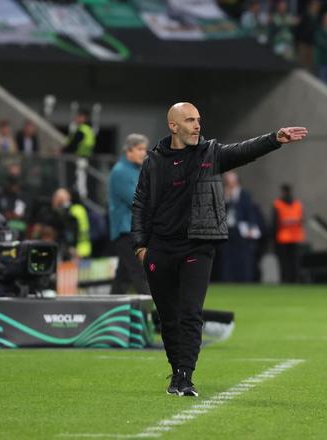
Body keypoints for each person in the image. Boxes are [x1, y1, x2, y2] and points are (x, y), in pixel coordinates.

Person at [131, 102, 307, 397]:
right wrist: (140, 246)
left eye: (198, 119)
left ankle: (185, 376)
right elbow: (139, 203)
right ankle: (176, 372)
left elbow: (242, 151)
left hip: (197, 246)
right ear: (173, 126)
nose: (197, 125)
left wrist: (274, 138)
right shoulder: (154, 161)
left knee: (190, 313)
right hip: (160, 247)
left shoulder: (209, 153)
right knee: (168, 317)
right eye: (190, 120)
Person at [108, 134, 150, 295]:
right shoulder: (121, 171)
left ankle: (110, 309)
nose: (143, 152)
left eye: (144, 149)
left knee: (123, 278)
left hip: (132, 230)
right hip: (127, 231)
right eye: (139, 149)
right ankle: (150, 310)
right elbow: (136, 201)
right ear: (129, 151)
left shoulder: (135, 170)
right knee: (141, 273)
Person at [217, 171, 261, 283]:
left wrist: (251, 228)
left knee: (243, 258)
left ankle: (244, 280)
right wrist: (227, 199)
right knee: (227, 259)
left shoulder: (245, 195)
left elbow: (250, 213)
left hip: (241, 232)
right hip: (227, 232)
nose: (230, 185)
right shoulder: (222, 195)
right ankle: (228, 280)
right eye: (227, 182)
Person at [273, 183, 305, 283]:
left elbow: (274, 222)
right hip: (286, 237)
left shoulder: (280, 204)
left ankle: (290, 279)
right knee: (288, 262)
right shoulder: (280, 204)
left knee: (290, 262)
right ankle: (289, 279)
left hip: (289, 237)